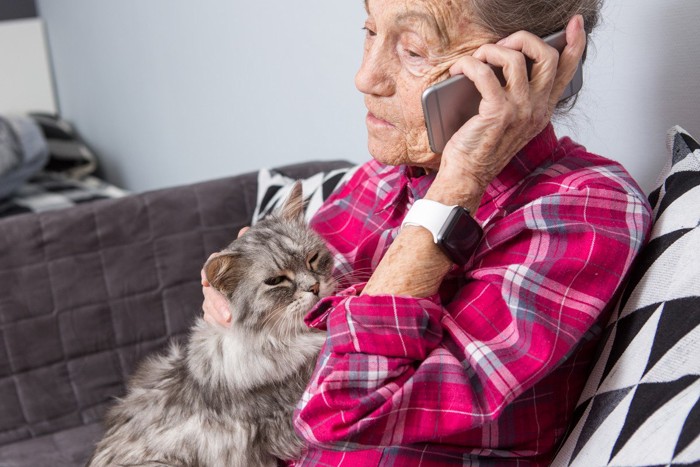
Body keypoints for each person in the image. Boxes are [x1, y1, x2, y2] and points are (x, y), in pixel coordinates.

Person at [203, 0, 652, 464]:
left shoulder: (583, 208)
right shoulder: (380, 179)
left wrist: (460, 185)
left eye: (414, 50)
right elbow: (286, 334)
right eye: (370, 30)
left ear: (525, 68)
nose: (365, 77)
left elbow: (346, 408)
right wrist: (240, 294)